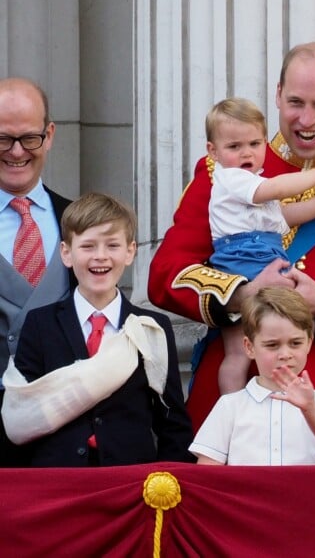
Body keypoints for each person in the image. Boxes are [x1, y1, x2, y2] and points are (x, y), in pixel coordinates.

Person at [148, 42, 315, 433]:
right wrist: (242, 293)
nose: (307, 119)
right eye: (295, 102)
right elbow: (165, 275)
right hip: (232, 396)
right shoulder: (226, 168)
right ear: (277, 96)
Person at [1, 193, 194, 466]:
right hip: (58, 484)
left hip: (131, 484)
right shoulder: (40, 324)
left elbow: (172, 422)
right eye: (88, 246)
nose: (100, 257)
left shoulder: (152, 328)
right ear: (66, 253)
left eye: (112, 245)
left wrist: (167, 485)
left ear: (130, 252)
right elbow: (24, 414)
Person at [206, 97, 315, 394]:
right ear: (213, 152)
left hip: (262, 252)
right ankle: (230, 409)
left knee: (270, 345)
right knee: (243, 351)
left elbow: (283, 217)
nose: (246, 153)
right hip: (243, 262)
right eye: (234, 147)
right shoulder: (233, 179)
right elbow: (274, 190)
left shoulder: (253, 183)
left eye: (254, 144)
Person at [0, 77, 76, 466]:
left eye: (28, 138)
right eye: (2, 139)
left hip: (63, 439)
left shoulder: (80, 221)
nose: (16, 152)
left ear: (49, 135)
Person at [190, 287, 315, 465]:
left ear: (309, 343)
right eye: (272, 345)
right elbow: (209, 472)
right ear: (249, 347)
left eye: (295, 343)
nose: (285, 354)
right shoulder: (230, 407)